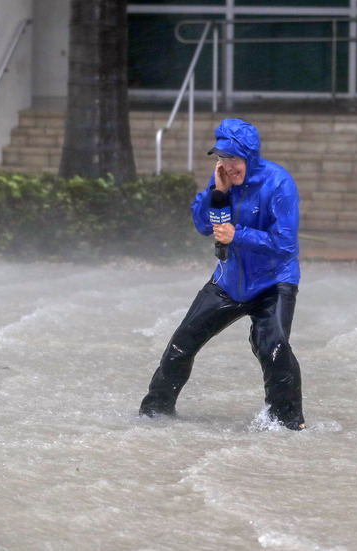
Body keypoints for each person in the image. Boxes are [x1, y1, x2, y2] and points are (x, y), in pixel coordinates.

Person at [138, 118, 305, 430]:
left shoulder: (280, 184)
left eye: (233, 159)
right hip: (228, 281)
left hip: (273, 282)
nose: (227, 166)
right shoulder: (223, 182)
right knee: (181, 344)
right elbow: (204, 226)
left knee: (273, 346)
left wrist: (236, 234)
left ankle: (287, 424)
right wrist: (216, 191)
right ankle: (154, 414)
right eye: (221, 158)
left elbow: (284, 247)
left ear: (250, 157)